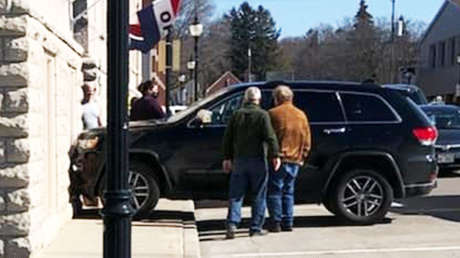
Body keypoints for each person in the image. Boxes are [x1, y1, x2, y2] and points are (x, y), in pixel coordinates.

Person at [222, 87, 281, 239]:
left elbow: (227, 138)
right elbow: (270, 136)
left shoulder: (236, 115)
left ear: (245, 99)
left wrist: (227, 158)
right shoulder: (262, 115)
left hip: (239, 160)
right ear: (258, 100)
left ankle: (232, 224)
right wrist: (275, 155)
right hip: (258, 160)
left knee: (236, 194)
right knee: (259, 195)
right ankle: (255, 227)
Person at [267, 85, 311, 232]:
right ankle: (288, 221)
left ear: (278, 98)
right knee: (288, 191)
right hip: (295, 159)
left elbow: (268, 137)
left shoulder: (272, 114)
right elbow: (307, 140)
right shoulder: (301, 115)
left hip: (278, 158)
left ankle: (275, 221)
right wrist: (302, 156)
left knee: (275, 191)